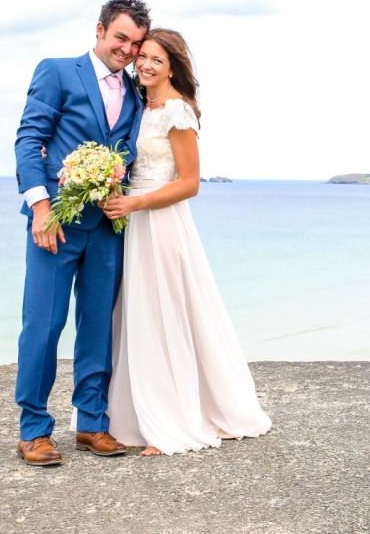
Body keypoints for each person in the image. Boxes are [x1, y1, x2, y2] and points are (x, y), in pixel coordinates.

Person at [101, 28, 271, 455]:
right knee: (138, 316)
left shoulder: (177, 111)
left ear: (174, 65)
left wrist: (136, 204)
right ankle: (136, 415)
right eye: (142, 57)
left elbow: (190, 184)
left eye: (157, 59)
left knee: (164, 314)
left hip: (160, 222)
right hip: (134, 223)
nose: (145, 64)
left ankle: (172, 421)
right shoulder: (140, 106)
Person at [13, 0, 150, 466]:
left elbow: (130, 152)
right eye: (120, 39)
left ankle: (92, 423)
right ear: (99, 30)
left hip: (109, 227)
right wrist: (41, 207)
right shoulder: (57, 71)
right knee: (44, 326)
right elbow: (30, 138)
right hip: (58, 225)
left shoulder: (136, 93)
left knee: (97, 327)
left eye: (135, 43)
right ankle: (33, 430)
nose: (128, 50)